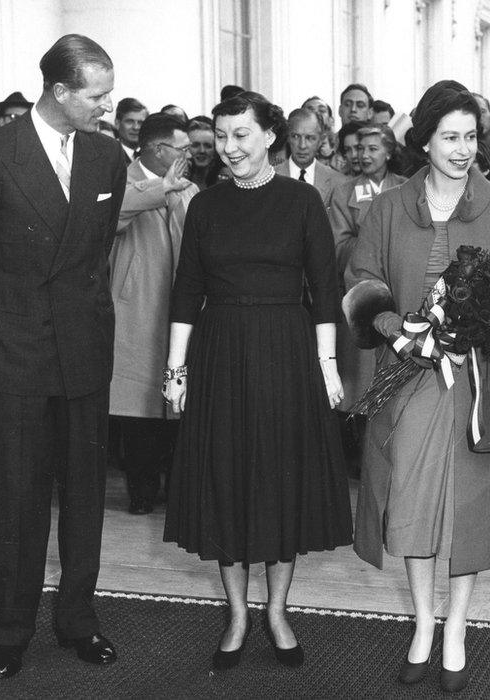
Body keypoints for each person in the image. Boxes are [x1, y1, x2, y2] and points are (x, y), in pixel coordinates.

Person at [343, 80, 490, 694]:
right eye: (449, 137)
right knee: (411, 504)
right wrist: (393, 326)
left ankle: (456, 628)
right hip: (408, 380)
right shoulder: (385, 207)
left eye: (470, 137)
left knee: (470, 512)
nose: (462, 149)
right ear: (423, 140)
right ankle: (423, 624)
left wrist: (486, 323)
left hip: (477, 385)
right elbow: (361, 280)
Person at [0, 34, 127, 680]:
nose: (106, 106)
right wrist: (7, 326)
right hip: (14, 355)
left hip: (83, 352)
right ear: (59, 91)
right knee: (17, 501)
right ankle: (10, 630)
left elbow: (96, 252)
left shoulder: (108, 157)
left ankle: (78, 617)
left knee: (84, 498)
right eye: (96, 95)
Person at [162, 91, 352, 671]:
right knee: (228, 478)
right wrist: (175, 372)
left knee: (277, 479)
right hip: (220, 354)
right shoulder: (206, 205)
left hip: (286, 355)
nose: (229, 147)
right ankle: (238, 613)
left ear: (270, 135)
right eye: (221, 136)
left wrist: (327, 369)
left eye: (241, 135)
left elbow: (323, 291)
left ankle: (277, 611)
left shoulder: (301, 201)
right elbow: (185, 294)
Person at [111, 113, 195, 515]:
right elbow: (117, 214)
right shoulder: (118, 180)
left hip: (179, 310)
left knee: (177, 405)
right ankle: (142, 493)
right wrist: (163, 188)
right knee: (138, 409)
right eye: (182, 147)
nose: (189, 154)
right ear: (159, 150)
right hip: (136, 311)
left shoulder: (190, 188)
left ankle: (177, 491)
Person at [327, 124, 407, 469]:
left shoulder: (405, 188)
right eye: (360, 148)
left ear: (389, 151)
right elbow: (339, 245)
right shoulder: (345, 192)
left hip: (400, 293)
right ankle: (359, 456)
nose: (365, 155)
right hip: (360, 292)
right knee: (359, 379)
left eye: (373, 148)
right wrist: (374, 245)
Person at [277, 108, 346, 206]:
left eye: (310, 138)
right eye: (296, 136)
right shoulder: (269, 178)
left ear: (321, 140)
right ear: (288, 137)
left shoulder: (338, 182)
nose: (302, 145)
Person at [185, 116, 216, 189]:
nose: (202, 150)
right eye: (195, 145)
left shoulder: (226, 180)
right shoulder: (175, 181)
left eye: (208, 146)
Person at [115, 97, 148, 163]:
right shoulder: (108, 154)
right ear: (117, 123)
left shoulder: (150, 156)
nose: (136, 127)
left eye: (140, 123)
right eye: (130, 122)